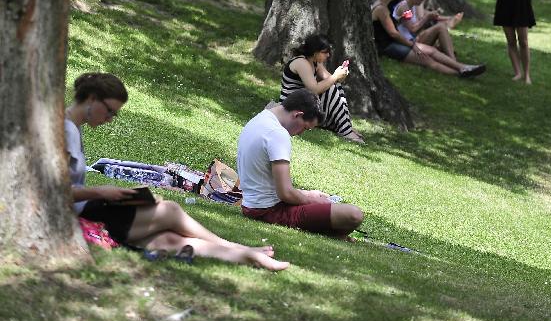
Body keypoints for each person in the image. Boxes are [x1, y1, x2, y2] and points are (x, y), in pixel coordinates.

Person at [65, 72, 289, 271]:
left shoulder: (73, 128)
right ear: (92, 99)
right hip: (82, 213)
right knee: (169, 211)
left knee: (168, 240)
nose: (110, 119)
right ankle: (238, 248)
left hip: (85, 210)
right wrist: (101, 192)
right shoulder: (64, 132)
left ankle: (247, 256)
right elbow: (54, 190)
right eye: (109, 111)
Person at [237, 89, 364, 236]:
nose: (300, 133)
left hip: (253, 205)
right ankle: (336, 234)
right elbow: (285, 193)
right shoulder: (277, 134)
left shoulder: (261, 118)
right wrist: (313, 201)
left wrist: (309, 194)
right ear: (298, 115)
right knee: (353, 214)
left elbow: (267, 183)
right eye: (305, 128)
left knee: (322, 200)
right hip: (268, 211)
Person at [371, 0, 486, 77]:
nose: (423, 0)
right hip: (399, 43)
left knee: (433, 49)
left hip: (404, 41)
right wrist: (426, 20)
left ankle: (460, 67)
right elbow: (408, 30)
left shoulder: (410, 6)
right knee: (429, 59)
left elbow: (424, 17)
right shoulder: (402, 8)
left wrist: (447, 18)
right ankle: (460, 71)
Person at [280, 34, 364, 143]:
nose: (328, 55)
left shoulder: (315, 62)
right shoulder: (301, 63)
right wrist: (335, 77)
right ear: (315, 52)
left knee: (336, 86)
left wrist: (341, 76)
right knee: (331, 88)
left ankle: (345, 126)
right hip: (291, 106)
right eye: (325, 52)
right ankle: (346, 130)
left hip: (303, 102)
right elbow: (313, 90)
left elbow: (330, 79)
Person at [393, 0, 464, 61]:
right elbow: (412, 29)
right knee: (440, 27)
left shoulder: (412, 6)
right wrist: (426, 17)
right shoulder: (405, 8)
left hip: (414, 39)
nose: (423, 0)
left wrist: (449, 18)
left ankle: (450, 56)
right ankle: (452, 60)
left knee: (441, 28)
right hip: (408, 43)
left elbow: (430, 15)